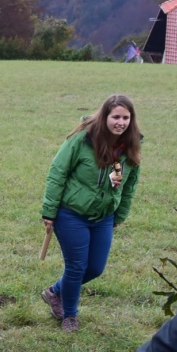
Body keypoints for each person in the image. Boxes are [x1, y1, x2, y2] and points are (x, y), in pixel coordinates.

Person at [40, 95, 142, 333]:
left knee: (95, 268)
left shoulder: (131, 146)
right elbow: (58, 172)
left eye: (126, 118)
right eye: (116, 116)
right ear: (104, 116)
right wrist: (49, 211)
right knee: (76, 267)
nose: (121, 122)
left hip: (104, 216)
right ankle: (70, 316)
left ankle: (54, 291)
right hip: (71, 213)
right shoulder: (82, 139)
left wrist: (120, 215)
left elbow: (130, 185)